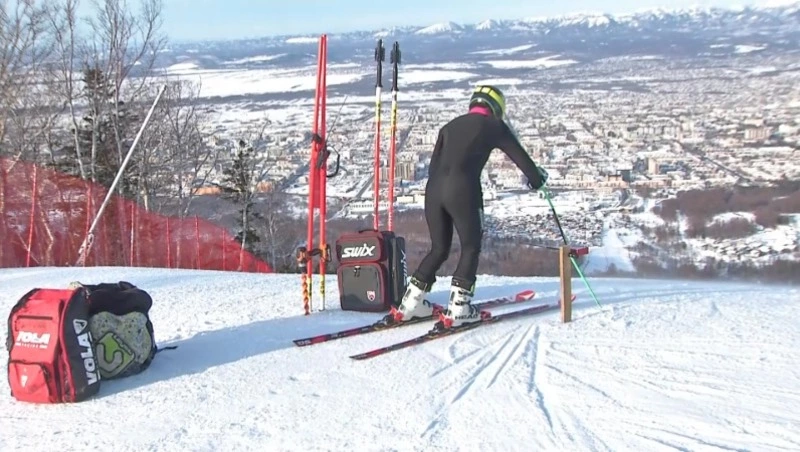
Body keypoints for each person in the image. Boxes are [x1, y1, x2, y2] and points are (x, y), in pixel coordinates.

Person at [384, 85, 548, 330]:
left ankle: (410, 305)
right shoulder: (494, 126)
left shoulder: (449, 127)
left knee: (439, 248)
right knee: (471, 246)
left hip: (433, 190)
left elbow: (433, 167)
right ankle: (459, 309)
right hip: (463, 189)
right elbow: (521, 157)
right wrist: (537, 180)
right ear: (496, 108)